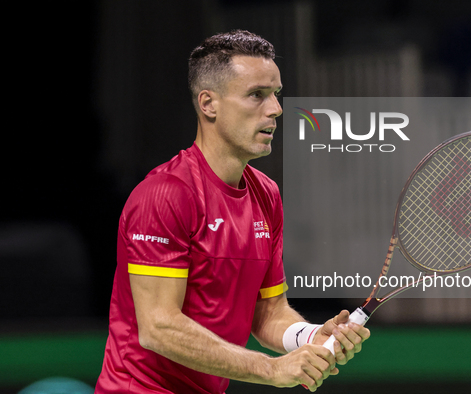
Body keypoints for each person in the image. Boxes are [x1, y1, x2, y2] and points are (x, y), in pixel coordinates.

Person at [95, 30, 370, 394]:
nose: (275, 108)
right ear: (208, 103)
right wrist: (271, 370)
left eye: (276, 94)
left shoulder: (266, 195)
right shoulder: (165, 195)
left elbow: (268, 312)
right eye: (257, 95)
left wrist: (310, 336)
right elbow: (158, 327)